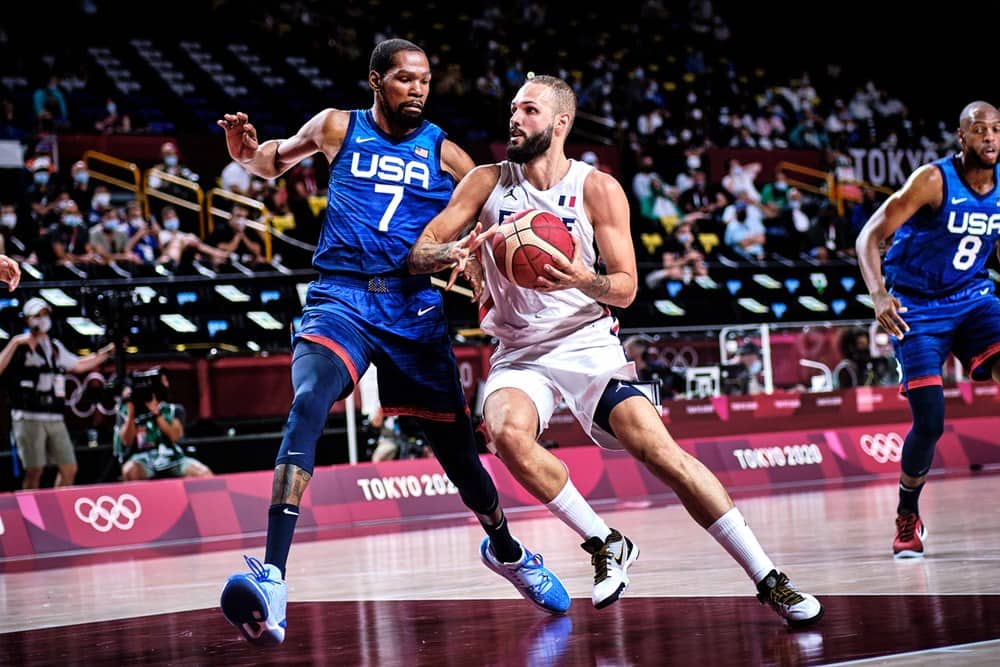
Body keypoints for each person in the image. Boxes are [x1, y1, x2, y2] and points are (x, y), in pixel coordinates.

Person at [408, 74, 822, 626]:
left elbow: (625, 288)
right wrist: (451, 251)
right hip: (518, 353)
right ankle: (605, 541)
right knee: (504, 433)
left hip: (586, 344)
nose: (514, 118)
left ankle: (769, 578)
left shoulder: (595, 187)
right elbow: (420, 251)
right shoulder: (485, 183)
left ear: (559, 123)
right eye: (512, 108)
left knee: (661, 453)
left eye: (528, 110)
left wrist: (583, 278)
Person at [214, 39, 569, 647]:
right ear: (376, 81)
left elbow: (494, 214)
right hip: (341, 296)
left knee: (460, 458)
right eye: (405, 79)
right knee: (307, 402)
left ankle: (507, 550)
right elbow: (273, 160)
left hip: (414, 309)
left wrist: (485, 267)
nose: (419, 89)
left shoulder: (447, 152)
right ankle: (272, 574)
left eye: (426, 80)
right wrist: (248, 154)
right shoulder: (336, 126)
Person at [855, 100, 1000, 559]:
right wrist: (879, 294)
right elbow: (869, 236)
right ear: (962, 137)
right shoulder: (933, 179)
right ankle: (907, 513)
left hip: (974, 299)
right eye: (980, 130)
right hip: (916, 306)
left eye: (997, 129)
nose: (991, 137)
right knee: (931, 420)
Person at [0, 298, 114, 488]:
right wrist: (14, 342)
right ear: (27, 319)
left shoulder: (54, 347)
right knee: (34, 470)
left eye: (45, 315)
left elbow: (78, 364)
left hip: (54, 415)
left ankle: (58, 507)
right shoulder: (18, 346)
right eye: (37, 316)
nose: (42, 319)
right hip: (28, 416)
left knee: (69, 467)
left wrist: (108, 352)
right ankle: (29, 513)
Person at [114, 368, 212, 480]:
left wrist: (157, 413)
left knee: (204, 473)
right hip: (141, 458)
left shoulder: (173, 409)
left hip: (173, 457)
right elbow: (127, 441)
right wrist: (131, 415)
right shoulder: (125, 410)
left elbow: (175, 436)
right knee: (130, 471)